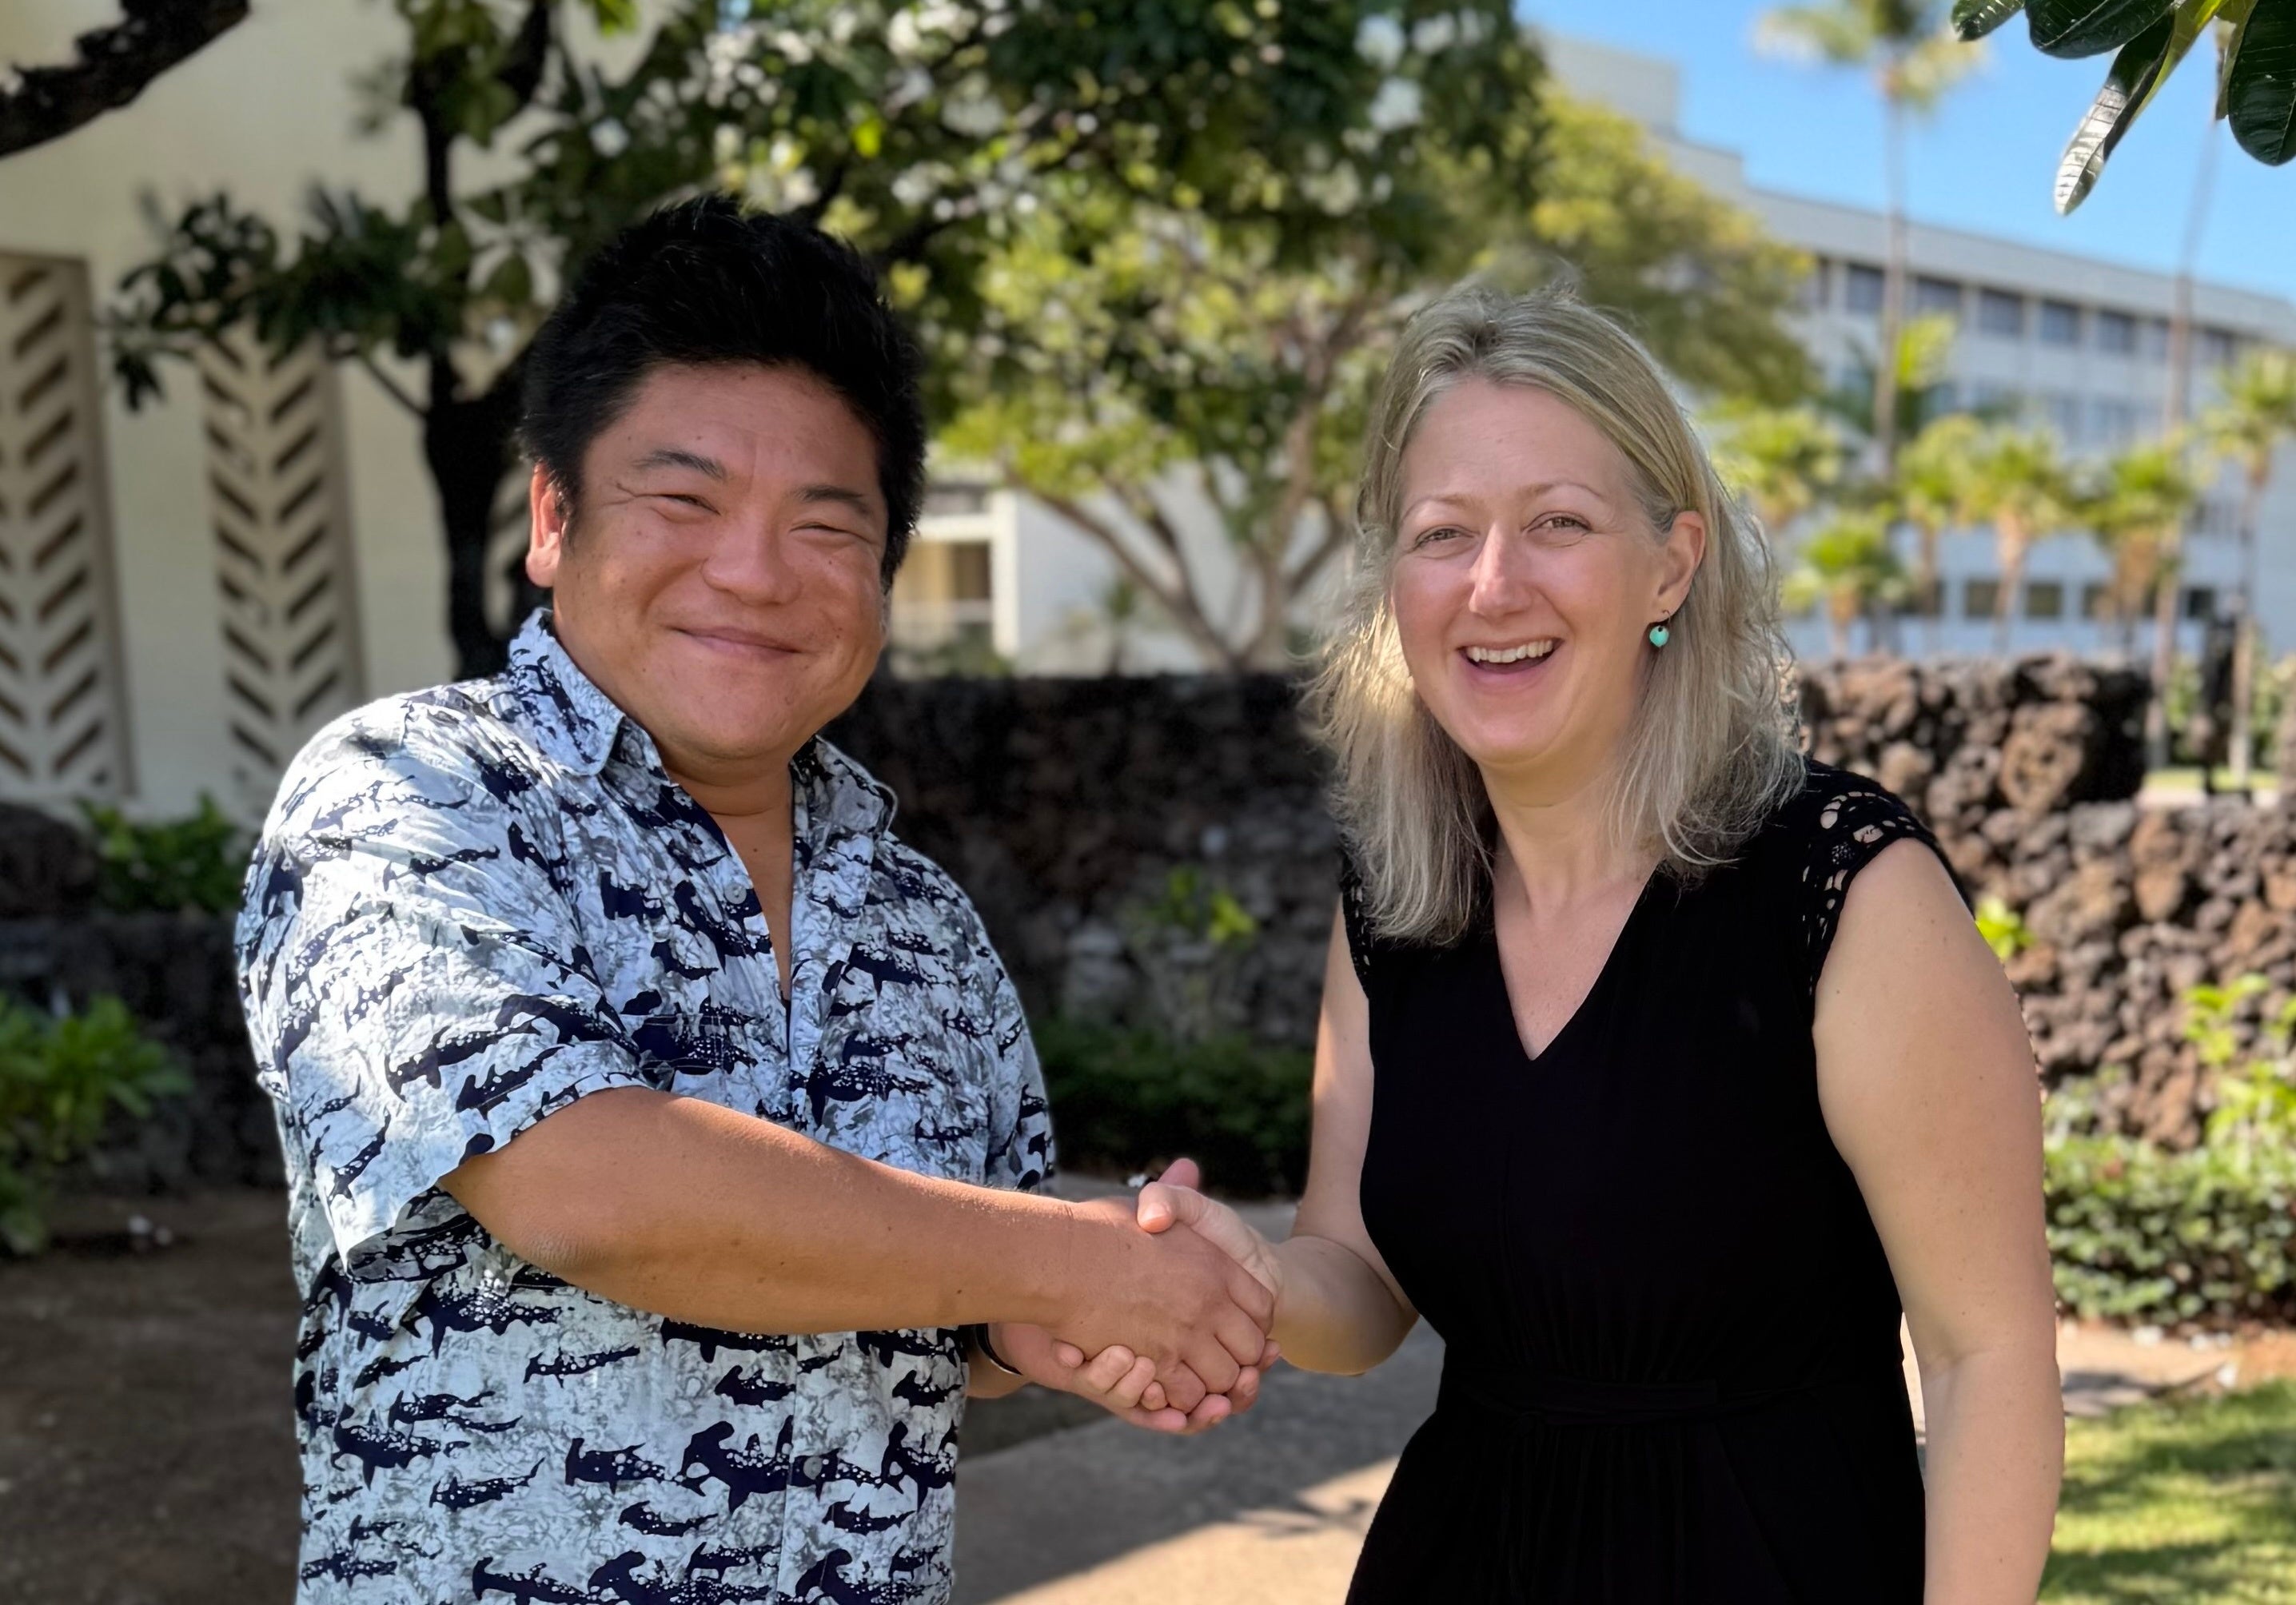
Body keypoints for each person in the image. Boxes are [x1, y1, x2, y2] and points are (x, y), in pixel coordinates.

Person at [236, 197, 1274, 1605]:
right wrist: (1071, 1263)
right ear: (552, 517)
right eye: (686, 501)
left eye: (826, 524)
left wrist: (1047, 1320)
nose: (754, 571)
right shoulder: (409, 793)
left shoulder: (922, 921)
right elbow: (585, 1187)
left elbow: (969, 1286)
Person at [1134, 285, 2064, 1602]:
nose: (1492, 584)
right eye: (1442, 533)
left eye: (1557, 523)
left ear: (1671, 566)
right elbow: (1363, 1280)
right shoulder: (1397, 899)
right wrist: (1255, 1283)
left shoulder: (1845, 888)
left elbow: (1989, 1359)